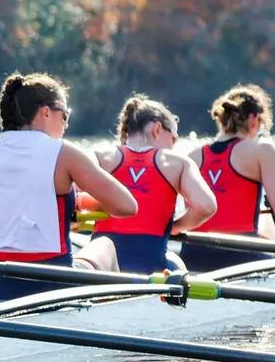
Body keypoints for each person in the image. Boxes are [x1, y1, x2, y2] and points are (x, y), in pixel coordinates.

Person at [0, 72, 137, 301]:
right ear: (46, 112)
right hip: (53, 286)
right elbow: (126, 206)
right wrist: (81, 207)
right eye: (65, 115)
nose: (66, 124)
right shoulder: (64, 155)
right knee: (105, 244)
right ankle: (111, 318)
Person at [179, 84, 275, 272]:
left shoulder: (191, 157)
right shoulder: (262, 151)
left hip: (193, 256)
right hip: (241, 257)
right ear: (254, 119)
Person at [89, 95, 216, 273]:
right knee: (177, 264)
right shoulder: (178, 164)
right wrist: (176, 226)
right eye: (173, 137)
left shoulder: (99, 157)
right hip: (151, 267)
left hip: (103, 270)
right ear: (157, 129)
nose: (174, 144)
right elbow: (206, 206)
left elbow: (73, 200)